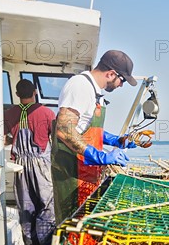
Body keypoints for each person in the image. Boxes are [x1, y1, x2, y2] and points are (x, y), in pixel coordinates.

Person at [52, 50, 138, 223]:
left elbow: (85, 128)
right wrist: (98, 155)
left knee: (85, 222)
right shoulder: (80, 86)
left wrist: (115, 140)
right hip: (71, 171)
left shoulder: (93, 91)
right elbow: (64, 129)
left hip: (85, 170)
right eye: (122, 80)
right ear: (111, 74)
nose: (121, 85)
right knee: (72, 224)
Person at [4, 79, 56, 245]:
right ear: (35, 92)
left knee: (26, 204)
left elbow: (3, 137)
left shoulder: (9, 113)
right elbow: (55, 140)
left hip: (20, 165)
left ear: (17, 95)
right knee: (46, 203)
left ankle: (30, 244)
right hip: (41, 162)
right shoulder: (47, 113)